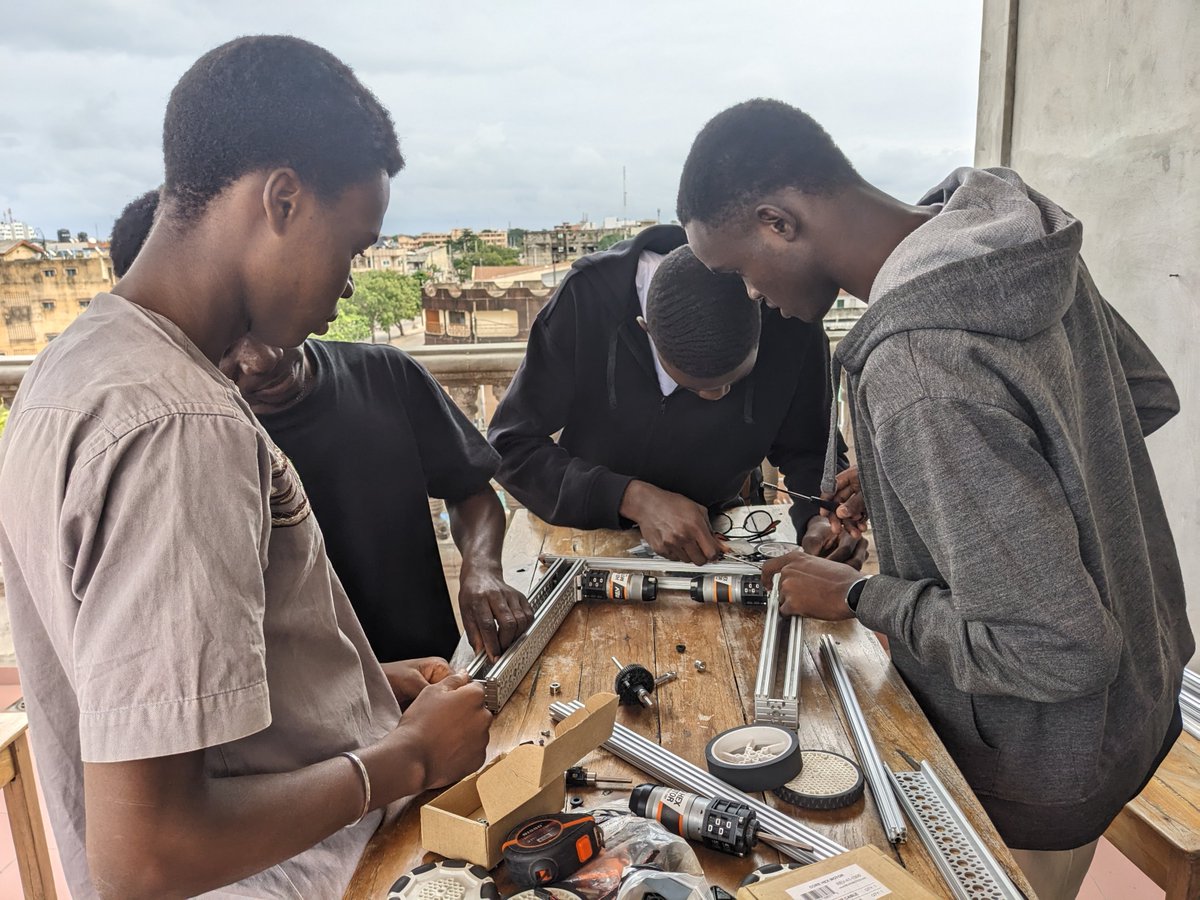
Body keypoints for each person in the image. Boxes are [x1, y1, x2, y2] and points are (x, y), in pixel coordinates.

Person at [0, 36, 492, 899]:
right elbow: (150, 855)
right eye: (353, 245)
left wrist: (351, 686)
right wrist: (405, 757)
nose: (347, 285)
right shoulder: (177, 426)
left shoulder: (73, 368)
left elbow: (144, 699)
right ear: (283, 199)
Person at [677, 98, 1191, 900]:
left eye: (740, 271)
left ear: (779, 221)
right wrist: (915, 488)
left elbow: (1060, 650)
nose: (752, 296)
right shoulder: (1006, 238)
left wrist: (858, 593)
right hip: (1143, 696)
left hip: (1041, 765)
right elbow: (1140, 398)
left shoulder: (919, 369)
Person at [110, 191, 532, 662]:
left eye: (259, 322)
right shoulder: (185, 444)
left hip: (436, 677)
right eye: (228, 343)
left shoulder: (386, 374)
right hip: (307, 725)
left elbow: (472, 490)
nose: (262, 359)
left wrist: (483, 567)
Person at [489, 224, 860, 567]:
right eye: (695, 386)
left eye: (734, 382)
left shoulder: (790, 318)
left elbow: (812, 448)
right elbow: (511, 448)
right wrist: (631, 498)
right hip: (584, 541)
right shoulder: (589, 299)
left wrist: (819, 520)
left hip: (715, 542)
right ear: (645, 329)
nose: (716, 399)